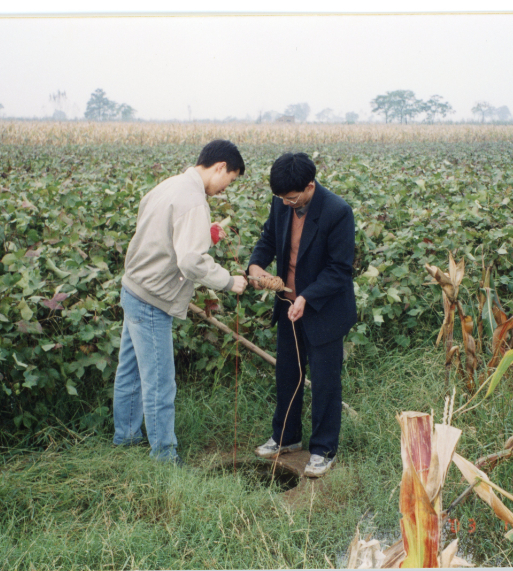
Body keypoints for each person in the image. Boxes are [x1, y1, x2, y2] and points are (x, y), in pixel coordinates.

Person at [113, 139, 248, 464]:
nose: (223, 189)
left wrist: (205, 233)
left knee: (129, 373)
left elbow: (159, 232)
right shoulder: (193, 202)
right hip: (152, 301)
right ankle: (165, 458)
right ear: (220, 168)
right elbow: (190, 262)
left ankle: (126, 439)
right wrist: (230, 282)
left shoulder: (168, 186)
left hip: (133, 289)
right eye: (228, 181)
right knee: (160, 383)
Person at [247, 152, 357, 478]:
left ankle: (323, 449)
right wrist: (255, 265)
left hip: (324, 309)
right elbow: (268, 239)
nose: (285, 204)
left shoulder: (337, 212)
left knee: (324, 382)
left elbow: (340, 270)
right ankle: (286, 437)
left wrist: (307, 296)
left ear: (309, 186)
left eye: (292, 198)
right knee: (287, 375)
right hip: (287, 305)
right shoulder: (282, 204)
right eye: (280, 198)